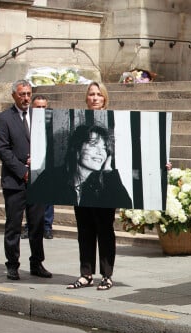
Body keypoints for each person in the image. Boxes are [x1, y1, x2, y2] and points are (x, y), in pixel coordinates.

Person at [68, 82, 125, 290]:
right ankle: (86, 273)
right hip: (81, 185)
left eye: (99, 95)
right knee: (84, 229)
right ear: (86, 98)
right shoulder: (80, 127)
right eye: (91, 94)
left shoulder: (114, 123)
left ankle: (107, 274)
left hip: (105, 185)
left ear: (105, 99)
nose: (95, 98)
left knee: (104, 228)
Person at [0, 80, 51, 280]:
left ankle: (37, 263)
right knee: (13, 225)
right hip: (15, 181)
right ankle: (12, 264)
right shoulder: (4, 118)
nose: (26, 98)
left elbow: (48, 143)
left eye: (28, 94)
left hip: (37, 181)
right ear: (14, 96)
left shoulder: (39, 116)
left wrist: (38, 161)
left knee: (37, 225)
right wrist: (23, 170)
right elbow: (3, 149)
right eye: (22, 94)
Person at [22, 95, 54, 240]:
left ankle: (47, 227)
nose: (41, 110)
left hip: (48, 164)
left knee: (47, 198)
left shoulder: (52, 123)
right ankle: (29, 227)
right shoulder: (26, 123)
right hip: (31, 165)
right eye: (37, 107)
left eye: (43, 107)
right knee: (31, 198)